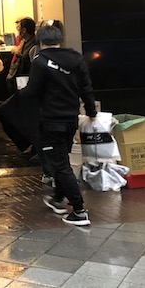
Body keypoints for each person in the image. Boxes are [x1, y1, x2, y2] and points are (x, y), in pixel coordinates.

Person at [20, 23, 96, 227]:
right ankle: (57, 199)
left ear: (41, 42)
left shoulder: (40, 61)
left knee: (60, 165)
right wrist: (91, 113)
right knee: (62, 160)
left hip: (50, 120)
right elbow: (86, 88)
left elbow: (33, 92)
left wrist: (20, 93)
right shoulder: (76, 58)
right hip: (70, 119)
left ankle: (79, 210)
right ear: (59, 39)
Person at [8, 17, 38, 92]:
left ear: (24, 30)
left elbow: (34, 67)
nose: (17, 30)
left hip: (27, 79)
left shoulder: (34, 46)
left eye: (19, 28)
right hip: (23, 78)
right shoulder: (25, 42)